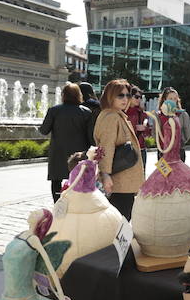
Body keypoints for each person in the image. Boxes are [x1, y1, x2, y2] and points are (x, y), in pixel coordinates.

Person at [93, 79, 145, 220]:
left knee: (121, 219)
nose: (125, 99)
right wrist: (106, 174)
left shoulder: (116, 115)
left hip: (122, 180)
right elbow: (106, 147)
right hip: (118, 182)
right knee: (119, 221)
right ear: (110, 96)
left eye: (128, 95)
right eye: (120, 95)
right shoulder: (111, 117)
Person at [39, 83, 92, 202]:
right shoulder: (86, 112)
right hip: (78, 154)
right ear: (79, 95)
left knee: (56, 181)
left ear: (63, 95)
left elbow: (44, 130)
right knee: (78, 179)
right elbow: (91, 137)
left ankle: (58, 204)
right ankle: (76, 204)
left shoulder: (54, 110)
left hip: (58, 152)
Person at [155, 87, 190, 162]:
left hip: (178, 152)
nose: (173, 101)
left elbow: (188, 132)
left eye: (175, 98)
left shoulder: (182, 115)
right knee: (163, 174)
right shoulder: (158, 115)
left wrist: (180, 142)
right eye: (170, 98)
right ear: (164, 99)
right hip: (162, 152)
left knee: (178, 173)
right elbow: (154, 132)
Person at [124, 85, 150, 171]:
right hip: (126, 149)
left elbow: (148, 133)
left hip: (141, 148)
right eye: (137, 97)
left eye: (140, 97)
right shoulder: (122, 113)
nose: (139, 99)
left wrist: (145, 129)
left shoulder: (142, 113)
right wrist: (135, 128)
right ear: (129, 97)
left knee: (141, 177)